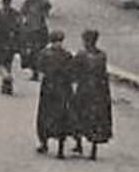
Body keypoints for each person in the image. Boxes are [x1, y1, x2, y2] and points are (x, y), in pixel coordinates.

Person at [71, 29, 113, 161]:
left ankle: (78, 143)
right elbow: (104, 75)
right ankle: (93, 150)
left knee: (78, 114)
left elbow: (74, 72)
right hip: (99, 92)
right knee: (95, 120)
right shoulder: (102, 56)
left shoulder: (81, 55)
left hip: (84, 90)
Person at [35, 30, 75, 158]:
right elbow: (72, 72)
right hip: (63, 88)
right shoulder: (67, 55)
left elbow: (40, 68)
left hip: (49, 87)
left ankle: (44, 142)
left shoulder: (44, 54)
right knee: (62, 116)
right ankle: (60, 147)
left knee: (45, 114)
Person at [19, 0, 51, 81]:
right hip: (29, 30)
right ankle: (34, 71)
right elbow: (22, 14)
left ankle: (37, 71)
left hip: (39, 31)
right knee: (30, 52)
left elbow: (46, 13)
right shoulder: (27, 3)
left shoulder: (42, 3)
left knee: (38, 52)